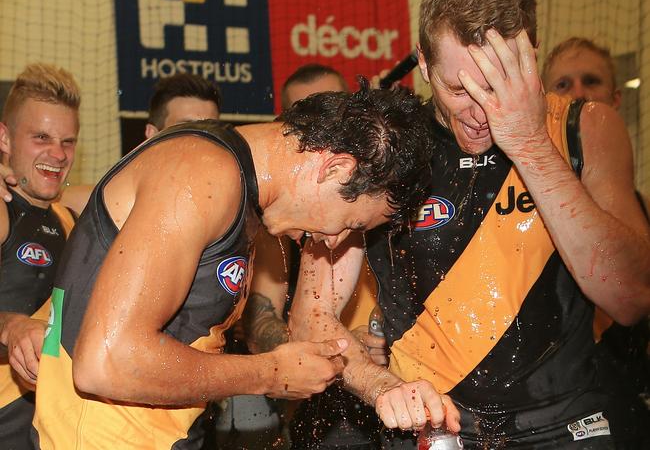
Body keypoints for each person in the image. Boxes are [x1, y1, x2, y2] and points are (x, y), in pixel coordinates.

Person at [290, 0, 650, 449]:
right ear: (422, 63)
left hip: (564, 424)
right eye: (459, 90)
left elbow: (630, 297)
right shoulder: (384, 145)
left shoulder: (582, 127)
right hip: (431, 425)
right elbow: (311, 317)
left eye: (498, 87)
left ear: (531, 58)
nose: (482, 114)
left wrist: (528, 142)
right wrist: (383, 387)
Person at [30, 79, 443, 449]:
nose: (334, 239)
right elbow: (105, 363)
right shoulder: (200, 174)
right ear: (335, 168)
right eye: (351, 222)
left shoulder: (234, 184)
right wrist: (268, 372)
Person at [243, 63, 386, 449]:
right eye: (310, 119)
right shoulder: (274, 223)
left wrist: (396, 338)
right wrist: (335, 350)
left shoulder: (383, 195)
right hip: (327, 407)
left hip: (409, 384)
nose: (328, 136)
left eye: (336, 114)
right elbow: (259, 323)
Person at [542, 35, 650, 412]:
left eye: (591, 81)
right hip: (551, 404)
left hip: (625, 400)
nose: (578, 94)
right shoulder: (515, 210)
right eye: (562, 84)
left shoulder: (642, 213)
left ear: (615, 99)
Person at [0, 63, 80, 450]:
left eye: (68, 141)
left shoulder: (69, 216)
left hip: (42, 432)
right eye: (41, 137)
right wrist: (10, 326)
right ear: (5, 138)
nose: (58, 154)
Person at [55, 72, 223, 215]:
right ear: (152, 136)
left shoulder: (231, 210)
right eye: (186, 129)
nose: (201, 141)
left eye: (210, 129)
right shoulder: (94, 205)